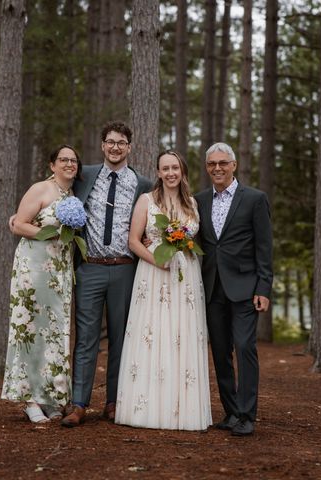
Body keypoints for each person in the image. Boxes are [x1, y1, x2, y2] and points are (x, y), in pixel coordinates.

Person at [61, 121, 153, 427]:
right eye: (110, 142)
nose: (115, 147)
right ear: (103, 145)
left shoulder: (143, 184)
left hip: (125, 269)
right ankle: (78, 404)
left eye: (121, 143)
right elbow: (54, 187)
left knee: (121, 338)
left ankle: (115, 402)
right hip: (90, 269)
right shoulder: (83, 175)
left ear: (129, 147)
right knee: (85, 339)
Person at [114, 150, 212, 431]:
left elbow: (194, 241)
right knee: (154, 333)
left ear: (182, 172)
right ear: (158, 172)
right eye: (165, 168)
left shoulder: (192, 204)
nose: (170, 173)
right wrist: (159, 262)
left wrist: (181, 252)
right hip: (153, 274)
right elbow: (133, 241)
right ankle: (148, 408)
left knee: (181, 334)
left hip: (186, 277)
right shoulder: (147, 201)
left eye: (175, 168)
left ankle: (182, 409)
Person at [195, 142, 273, 437]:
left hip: (245, 288)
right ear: (207, 167)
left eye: (223, 163)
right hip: (212, 288)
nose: (217, 168)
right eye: (212, 164)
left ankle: (247, 414)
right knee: (220, 352)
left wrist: (263, 287)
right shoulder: (199, 200)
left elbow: (265, 248)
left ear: (233, 165)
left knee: (244, 347)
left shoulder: (254, 199)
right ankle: (230, 412)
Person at [1, 145, 82, 423]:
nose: (69, 164)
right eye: (63, 160)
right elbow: (19, 224)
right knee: (31, 329)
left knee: (54, 333)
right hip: (33, 268)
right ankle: (29, 399)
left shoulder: (71, 195)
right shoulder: (40, 189)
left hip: (58, 272)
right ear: (52, 165)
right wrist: (50, 234)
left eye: (73, 160)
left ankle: (50, 396)